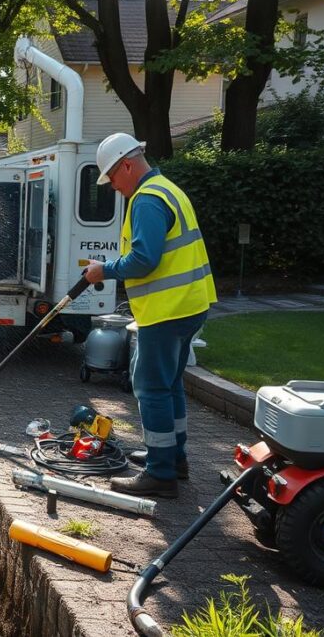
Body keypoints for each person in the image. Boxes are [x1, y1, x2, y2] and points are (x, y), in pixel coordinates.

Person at [85, 133, 217, 498]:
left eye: (111, 178)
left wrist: (104, 270)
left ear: (127, 165)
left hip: (167, 311)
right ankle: (173, 457)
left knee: (151, 388)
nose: (113, 187)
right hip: (190, 305)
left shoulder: (146, 200)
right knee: (171, 385)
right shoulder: (167, 189)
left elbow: (144, 259)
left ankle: (161, 474)